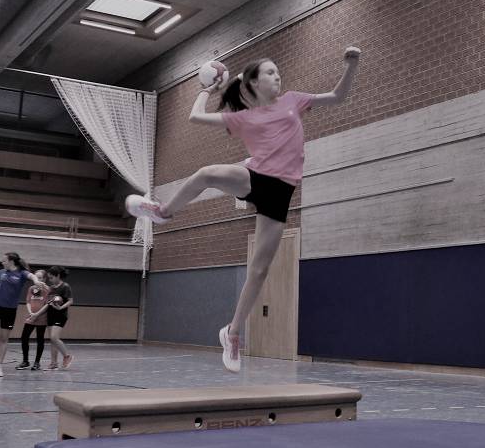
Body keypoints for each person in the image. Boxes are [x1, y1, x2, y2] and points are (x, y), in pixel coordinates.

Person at [128, 47, 361, 372]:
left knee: (260, 270)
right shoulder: (245, 117)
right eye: (270, 72)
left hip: (281, 193)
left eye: (278, 72)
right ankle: (163, 212)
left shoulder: (293, 100)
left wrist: (351, 65)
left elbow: (337, 97)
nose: (277, 76)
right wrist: (207, 91)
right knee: (207, 173)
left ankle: (232, 332)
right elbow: (195, 117)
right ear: (253, 82)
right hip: (255, 177)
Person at [0, 252, 40, 378]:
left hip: (9, 310)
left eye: (4, 261)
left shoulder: (21, 273)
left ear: (11, 261)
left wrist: (36, 281)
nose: (2, 262)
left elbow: (32, 275)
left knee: (3, 339)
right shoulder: (2, 272)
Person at [17, 274, 50, 370]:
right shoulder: (31, 288)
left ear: (44, 279)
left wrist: (37, 314)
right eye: (36, 277)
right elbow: (28, 302)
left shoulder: (47, 289)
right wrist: (31, 313)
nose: (37, 279)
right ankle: (25, 361)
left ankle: (37, 362)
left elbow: (47, 304)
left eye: (40, 277)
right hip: (31, 317)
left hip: (41, 317)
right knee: (24, 337)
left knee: (40, 339)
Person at [44, 266, 74, 370]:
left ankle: (67, 356)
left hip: (60, 315)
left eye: (51, 277)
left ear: (58, 276)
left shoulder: (65, 286)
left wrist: (61, 307)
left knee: (54, 337)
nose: (50, 280)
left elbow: (70, 301)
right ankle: (54, 363)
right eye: (49, 278)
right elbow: (48, 301)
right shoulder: (51, 288)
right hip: (50, 314)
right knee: (52, 340)